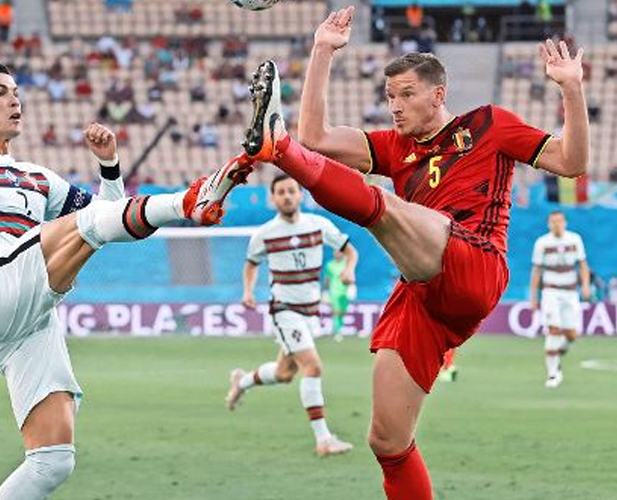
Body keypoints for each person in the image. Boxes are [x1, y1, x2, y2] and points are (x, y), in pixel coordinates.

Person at [241, 7, 589, 499]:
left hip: (476, 264)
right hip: (421, 293)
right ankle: (280, 145)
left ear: (438, 95)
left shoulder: (490, 125)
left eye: (406, 95)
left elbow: (572, 162)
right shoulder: (395, 147)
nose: (395, 107)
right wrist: (322, 51)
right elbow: (317, 138)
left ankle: (278, 149)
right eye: (390, 96)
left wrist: (571, 88)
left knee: (385, 208)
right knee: (387, 440)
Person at [0, 63, 254, 500]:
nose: (15, 100)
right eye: (1, 92)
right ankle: (189, 202)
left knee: (52, 461)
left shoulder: (39, 178)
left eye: (16, 91)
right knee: (86, 224)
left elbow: (109, 217)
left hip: (33, 317)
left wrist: (109, 166)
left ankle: (191, 203)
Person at [226, 174, 358, 456]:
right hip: (285, 310)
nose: (287, 196)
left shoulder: (318, 225)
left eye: (291, 191)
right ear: (273, 199)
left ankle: (242, 381)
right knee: (313, 367)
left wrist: (349, 270)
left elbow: (350, 251)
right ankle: (323, 440)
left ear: (300, 195)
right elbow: (251, 264)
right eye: (281, 192)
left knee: (284, 373)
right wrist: (248, 291)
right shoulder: (264, 234)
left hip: (311, 310)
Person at [529, 211, 589, 388]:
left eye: (559, 221)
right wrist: (533, 296)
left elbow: (583, 265)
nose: (557, 224)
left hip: (570, 292)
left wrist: (585, 285)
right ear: (549, 224)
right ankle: (553, 374)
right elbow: (536, 271)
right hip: (551, 292)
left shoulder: (575, 239)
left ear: (565, 223)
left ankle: (556, 354)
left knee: (571, 335)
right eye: (553, 222)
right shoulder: (542, 243)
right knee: (554, 330)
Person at [324, 247, 356, 341]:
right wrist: (325, 290)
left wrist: (351, 286)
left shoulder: (346, 264)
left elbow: (351, 276)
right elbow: (327, 279)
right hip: (334, 291)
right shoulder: (330, 264)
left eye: (339, 252)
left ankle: (339, 329)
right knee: (336, 311)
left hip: (344, 291)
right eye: (335, 252)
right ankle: (337, 332)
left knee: (342, 311)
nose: (337, 254)